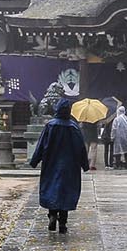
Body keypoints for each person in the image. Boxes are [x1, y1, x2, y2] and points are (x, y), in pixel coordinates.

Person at [29, 97, 90, 233]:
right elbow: (81, 147)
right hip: (70, 166)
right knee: (66, 192)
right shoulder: (74, 127)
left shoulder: (50, 126)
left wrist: (34, 161)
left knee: (52, 190)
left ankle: (52, 214)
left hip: (52, 163)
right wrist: (85, 165)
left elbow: (41, 145)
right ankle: (62, 222)